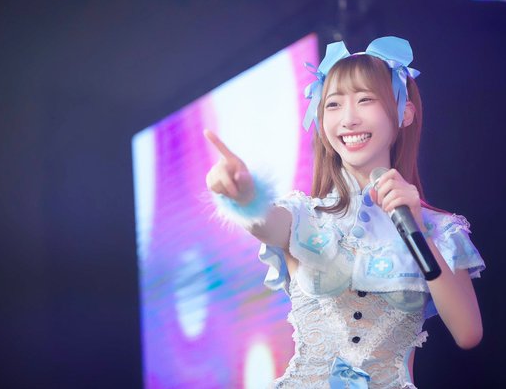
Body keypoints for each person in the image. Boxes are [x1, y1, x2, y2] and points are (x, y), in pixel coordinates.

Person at [204, 36, 485, 388]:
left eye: (365, 99)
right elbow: (264, 224)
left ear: (404, 112)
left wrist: (417, 229)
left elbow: (467, 333)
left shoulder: (440, 230)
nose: (349, 119)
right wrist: (244, 195)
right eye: (334, 104)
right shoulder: (303, 215)